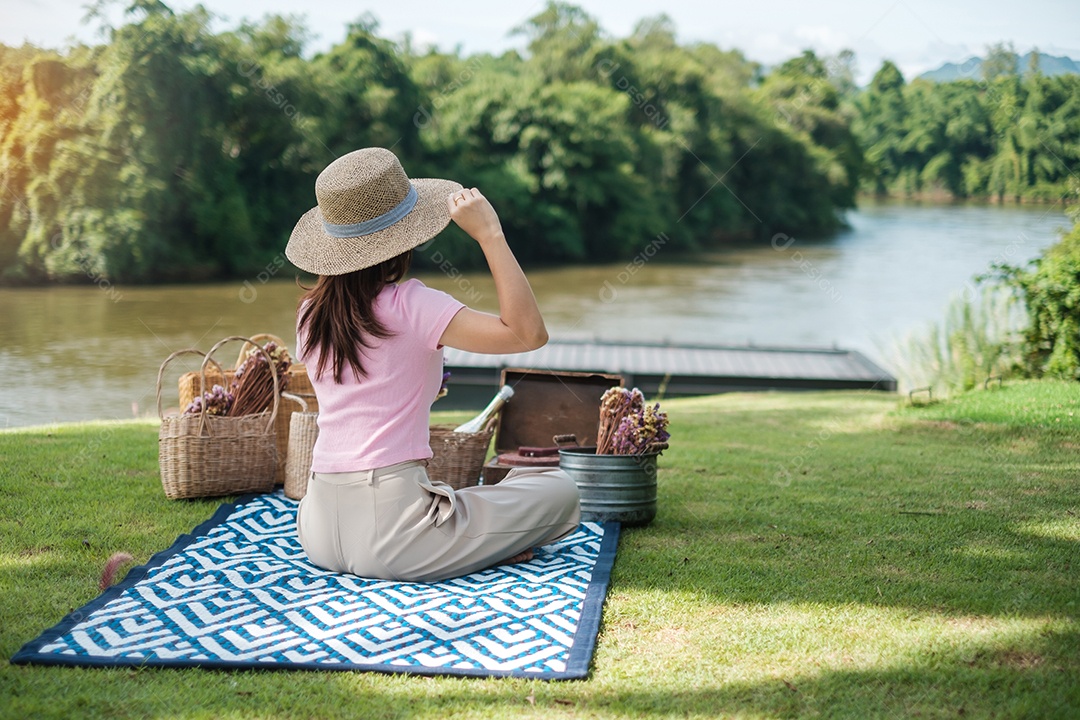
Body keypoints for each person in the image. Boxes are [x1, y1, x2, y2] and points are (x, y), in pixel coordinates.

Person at [284, 147, 581, 583]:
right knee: (560, 488)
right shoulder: (413, 304)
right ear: (402, 241)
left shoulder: (308, 314)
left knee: (477, 501)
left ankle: (472, 538)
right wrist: (490, 236)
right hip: (394, 538)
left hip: (316, 528)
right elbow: (528, 334)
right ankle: (482, 545)